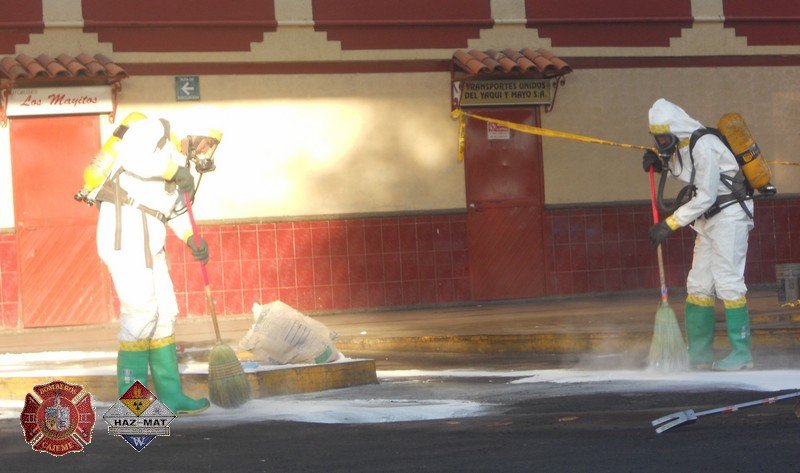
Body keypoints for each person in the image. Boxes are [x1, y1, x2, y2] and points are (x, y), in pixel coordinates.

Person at [95, 116, 215, 414]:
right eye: (207, 143)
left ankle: (171, 395)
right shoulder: (155, 128)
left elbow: (175, 212)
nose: (206, 151)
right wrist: (174, 171)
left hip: (152, 241)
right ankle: (133, 405)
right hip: (126, 235)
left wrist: (191, 238)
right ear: (193, 133)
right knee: (140, 313)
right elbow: (134, 157)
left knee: (164, 314)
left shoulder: (178, 163)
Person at [643, 98, 754, 371]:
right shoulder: (682, 146)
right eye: (657, 139)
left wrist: (669, 224)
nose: (661, 143)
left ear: (675, 131)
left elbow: (706, 195)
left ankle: (742, 353)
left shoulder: (703, 145)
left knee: (728, 280)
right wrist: (661, 164)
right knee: (699, 284)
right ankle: (700, 353)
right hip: (707, 221)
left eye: (663, 138)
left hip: (729, 216)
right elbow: (687, 174)